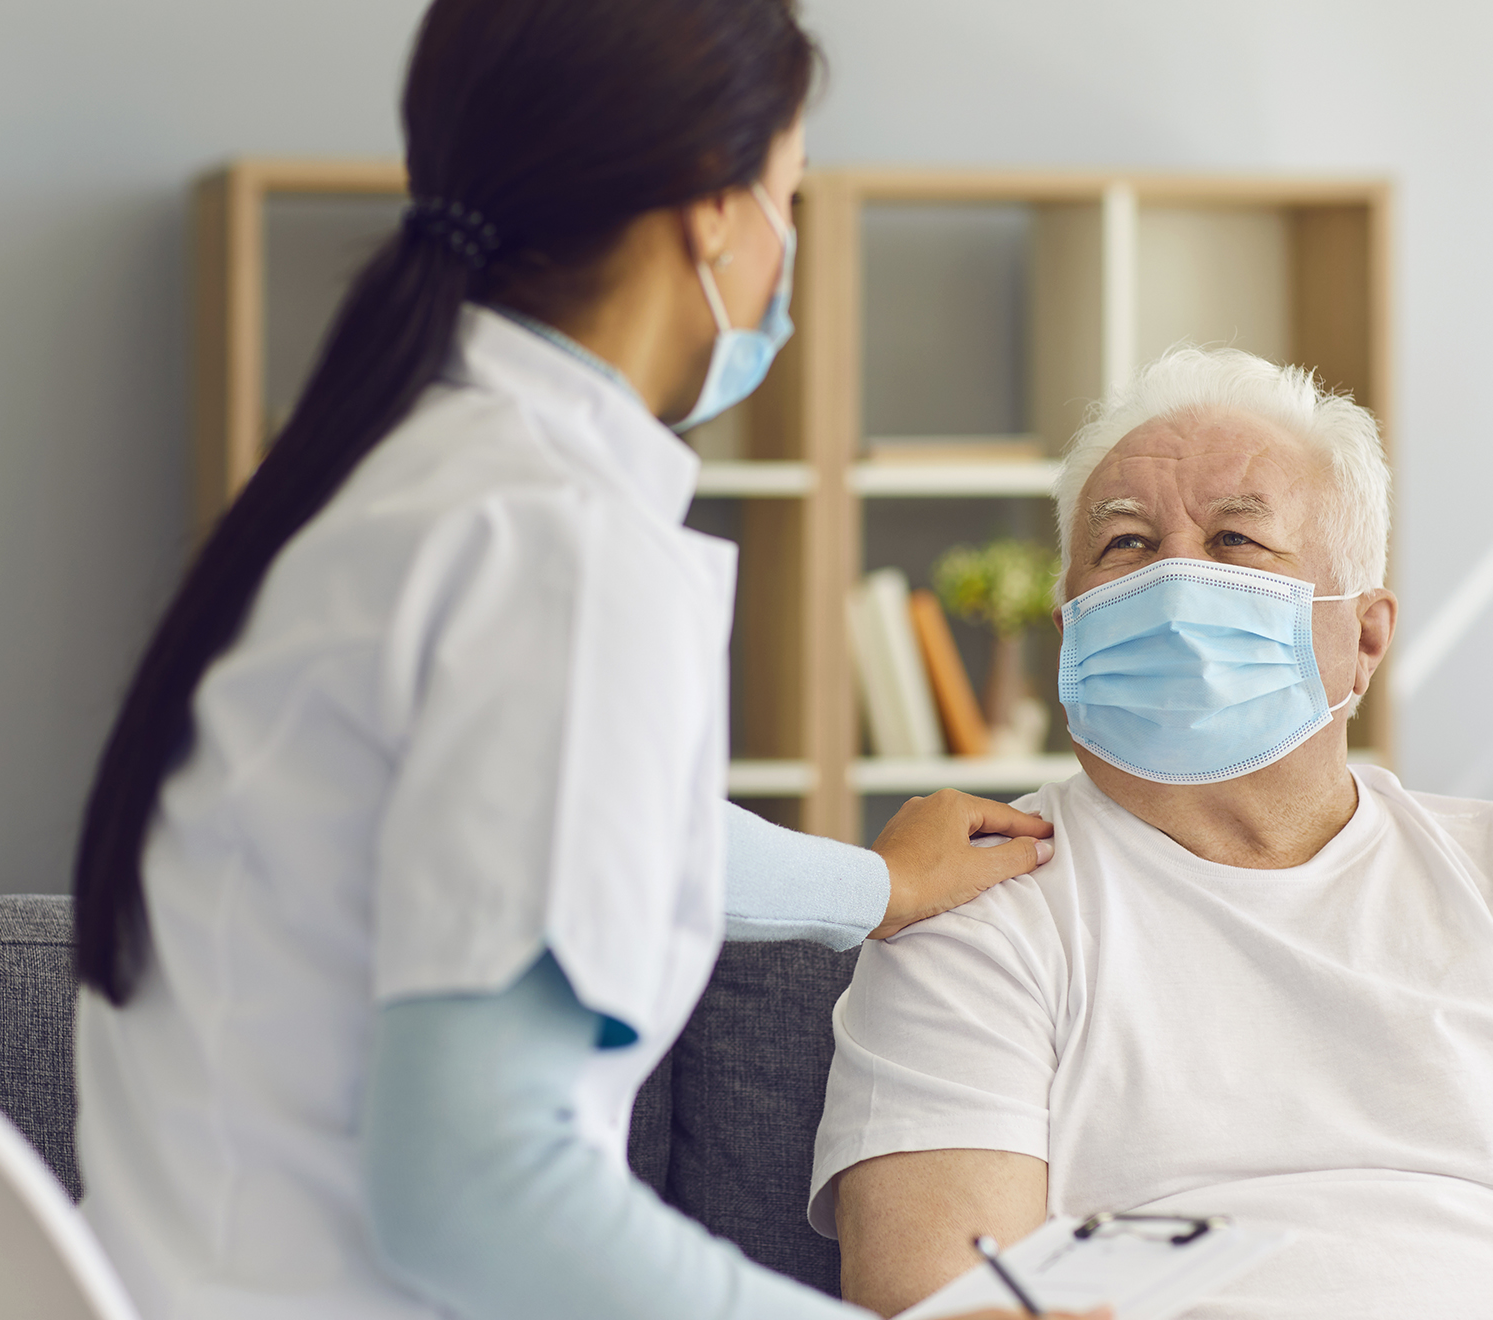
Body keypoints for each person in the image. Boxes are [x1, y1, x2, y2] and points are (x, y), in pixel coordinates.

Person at [67, 3, 1085, 1319]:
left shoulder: (382, 485)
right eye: (791, 193)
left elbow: (553, 823)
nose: (792, 243)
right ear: (710, 213)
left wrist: (870, 886)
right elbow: (477, 1197)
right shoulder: (562, 551)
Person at [811, 346, 1493, 1320]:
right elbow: (943, 1295)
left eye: (1234, 542)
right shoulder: (971, 900)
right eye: (1124, 545)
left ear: (1367, 638)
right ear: (1068, 628)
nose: (1173, 576)